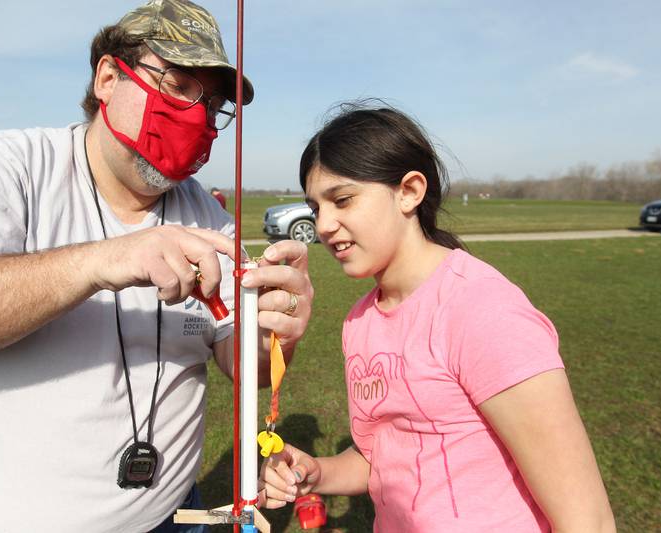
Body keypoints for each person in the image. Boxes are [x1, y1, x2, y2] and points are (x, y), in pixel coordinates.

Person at [0, 1, 313, 532]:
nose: (199, 117)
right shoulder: (14, 169)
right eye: (178, 86)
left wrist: (276, 337)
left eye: (215, 104)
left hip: (169, 519)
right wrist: (98, 262)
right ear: (108, 76)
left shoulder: (212, 222)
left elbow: (241, 364)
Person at [258, 104, 615, 532]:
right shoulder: (360, 321)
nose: (324, 225)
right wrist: (315, 472)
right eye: (316, 208)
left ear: (409, 191)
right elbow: (382, 460)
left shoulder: (482, 309)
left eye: (343, 199)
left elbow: (586, 518)